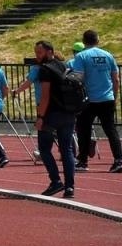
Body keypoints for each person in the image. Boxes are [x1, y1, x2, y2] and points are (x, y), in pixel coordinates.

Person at [34, 39, 80, 198]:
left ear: (49, 51)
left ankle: (55, 181)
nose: (37, 56)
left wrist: (40, 116)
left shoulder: (45, 69)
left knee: (45, 148)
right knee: (66, 149)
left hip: (52, 114)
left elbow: (45, 96)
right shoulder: (64, 65)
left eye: (39, 52)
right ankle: (70, 187)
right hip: (69, 112)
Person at [73, 29, 122, 174]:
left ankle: (83, 161)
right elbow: (116, 78)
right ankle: (119, 159)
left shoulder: (81, 56)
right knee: (110, 129)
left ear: (84, 41)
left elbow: (79, 78)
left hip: (89, 99)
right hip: (107, 98)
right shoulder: (108, 55)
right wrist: (114, 95)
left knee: (84, 130)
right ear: (97, 40)